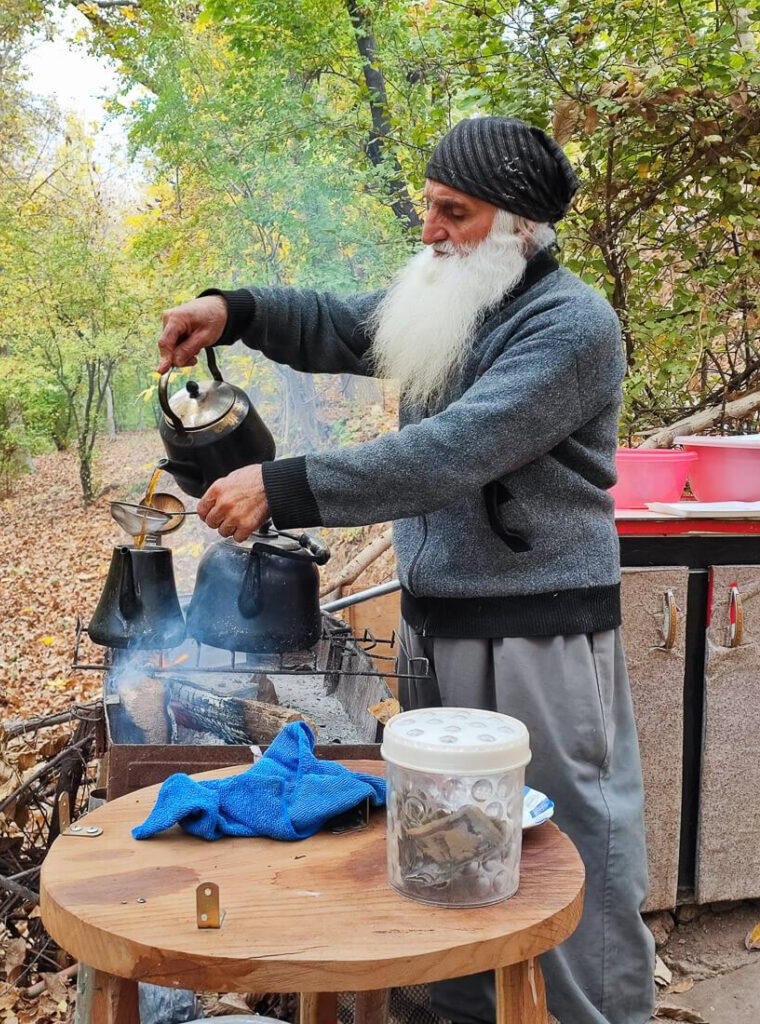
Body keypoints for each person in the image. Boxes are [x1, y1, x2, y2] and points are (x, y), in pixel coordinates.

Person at [157, 116, 655, 1024]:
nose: (429, 228)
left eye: (452, 212)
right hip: (441, 618)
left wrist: (285, 485)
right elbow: (345, 324)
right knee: (449, 842)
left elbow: (449, 452)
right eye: (428, 205)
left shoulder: (571, 325)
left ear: (519, 226)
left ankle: (595, 1014)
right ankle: (469, 1009)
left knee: (565, 850)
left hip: (533, 628)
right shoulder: (463, 297)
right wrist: (236, 310)